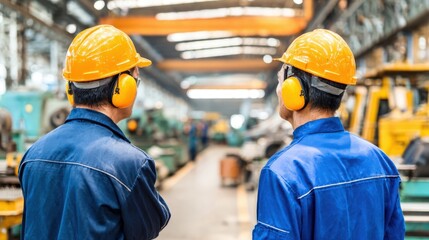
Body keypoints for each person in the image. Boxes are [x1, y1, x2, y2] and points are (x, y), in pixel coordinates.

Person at [18, 25, 170, 239]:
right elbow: (149, 226)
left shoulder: (33, 154)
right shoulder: (130, 163)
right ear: (123, 87)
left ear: (71, 90)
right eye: (135, 80)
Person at [253, 29, 404, 239]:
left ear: (293, 88)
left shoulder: (283, 173)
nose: (279, 90)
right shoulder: (380, 162)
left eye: (280, 81)